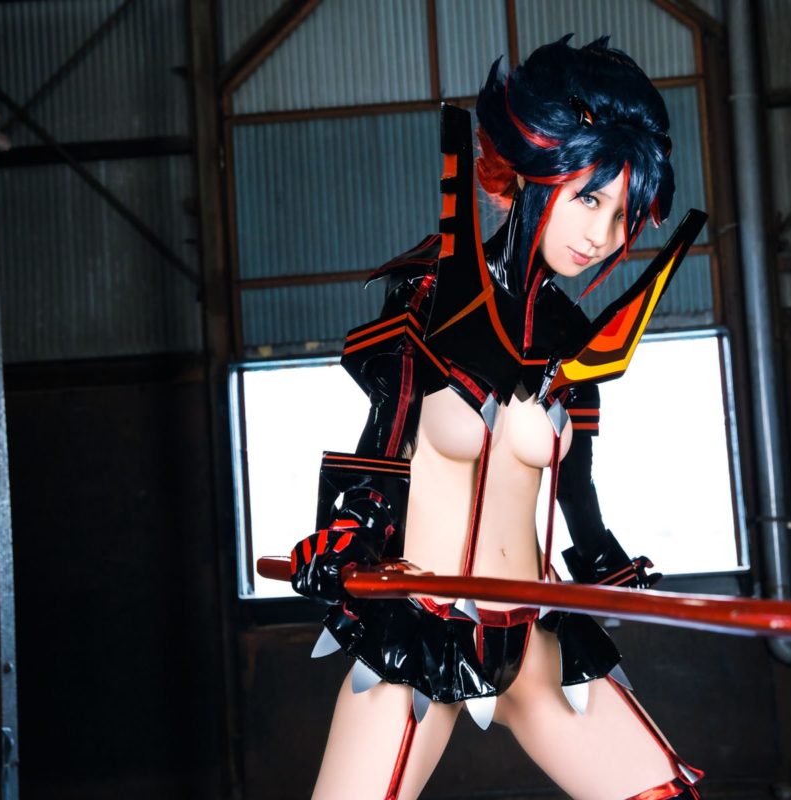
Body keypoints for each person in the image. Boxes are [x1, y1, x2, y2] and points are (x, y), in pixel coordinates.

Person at [290, 35, 705, 800]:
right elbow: (381, 446)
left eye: (623, 213)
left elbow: (575, 489)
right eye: (590, 198)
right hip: (423, 627)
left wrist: (609, 566)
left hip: (538, 636)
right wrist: (346, 534)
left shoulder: (574, 339)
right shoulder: (429, 296)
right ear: (528, 172)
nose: (603, 235)